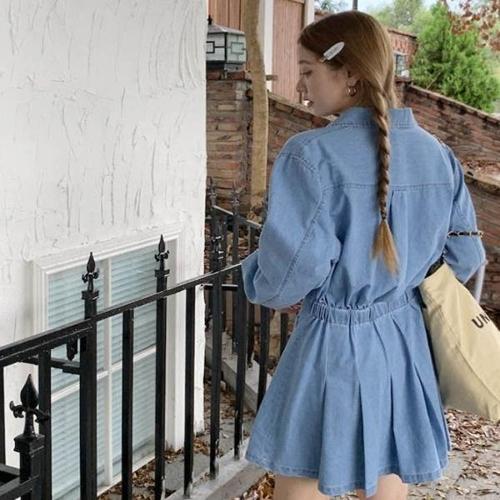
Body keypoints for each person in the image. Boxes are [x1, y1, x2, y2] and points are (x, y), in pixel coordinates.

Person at [239, 10, 487, 500]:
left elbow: (286, 279)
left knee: (303, 481)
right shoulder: (438, 154)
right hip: (404, 342)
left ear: (349, 72)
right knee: (387, 471)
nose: (300, 85)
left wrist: (259, 280)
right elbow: (464, 254)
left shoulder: (310, 155)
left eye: (308, 70)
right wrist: (401, 284)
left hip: (333, 346)